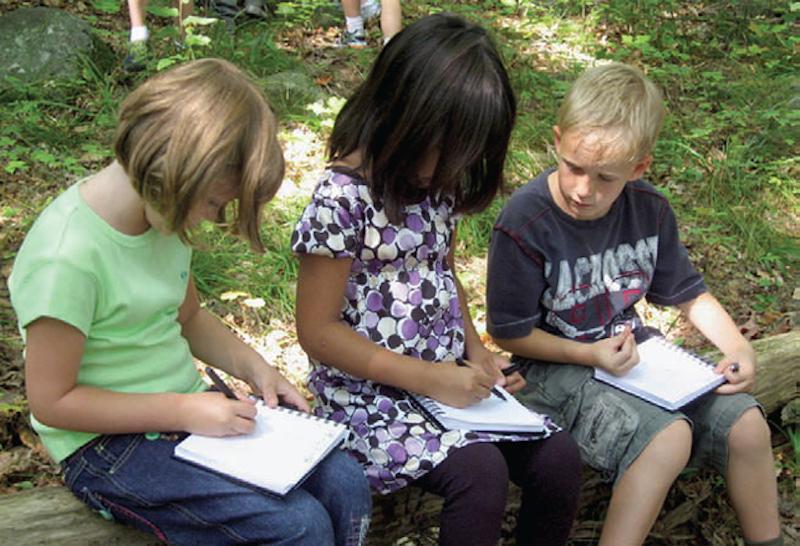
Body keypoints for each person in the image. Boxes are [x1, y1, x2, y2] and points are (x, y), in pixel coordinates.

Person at [9, 58, 371, 546]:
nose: (210, 219)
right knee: (295, 526)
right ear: (172, 175)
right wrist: (184, 411)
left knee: (345, 482)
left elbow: (190, 318)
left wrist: (257, 370)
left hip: (183, 410)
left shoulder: (160, 216)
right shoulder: (66, 259)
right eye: (212, 204)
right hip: (102, 448)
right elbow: (54, 403)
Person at [292, 14, 582, 546]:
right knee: (482, 475)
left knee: (559, 458)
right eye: (447, 150)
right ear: (402, 117)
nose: (456, 167)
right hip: (368, 401)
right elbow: (317, 332)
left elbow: (442, 275)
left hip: (444, 388)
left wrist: (478, 357)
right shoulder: (341, 202)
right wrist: (428, 378)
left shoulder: (435, 188)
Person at [486, 62, 782, 546]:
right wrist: (589, 354)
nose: (584, 189)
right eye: (574, 167)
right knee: (667, 439)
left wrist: (738, 349)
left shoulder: (649, 208)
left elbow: (687, 291)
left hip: (636, 359)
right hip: (551, 371)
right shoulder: (526, 220)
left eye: (605, 177)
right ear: (558, 142)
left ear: (638, 167)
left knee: (747, 425)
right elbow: (509, 332)